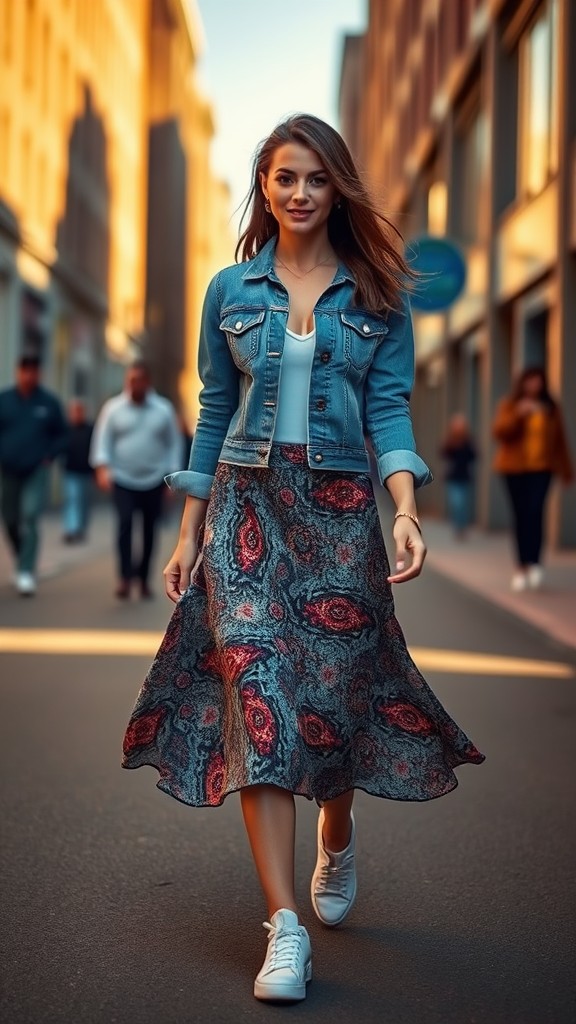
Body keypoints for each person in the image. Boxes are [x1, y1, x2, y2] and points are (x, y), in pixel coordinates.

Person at [122, 115, 484, 1003]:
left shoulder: (375, 296)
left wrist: (405, 508)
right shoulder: (228, 289)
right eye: (283, 177)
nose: (298, 193)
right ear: (265, 188)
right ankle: (284, 927)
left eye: (315, 178)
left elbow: (390, 411)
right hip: (248, 506)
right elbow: (214, 411)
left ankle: (337, 832)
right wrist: (187, 530)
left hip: (340, 511)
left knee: (331, 697)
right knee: (258, 690)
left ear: (338, 189)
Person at [90, 361, 182, 599]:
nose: (133, 385)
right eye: (130, 381)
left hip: (154, 479)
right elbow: (103, 441)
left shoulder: (163, 409)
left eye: (138, 380)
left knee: (149, 530)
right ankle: (124, 577)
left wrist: (172, 479)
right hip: (122, 478)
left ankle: (142, 579)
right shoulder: (113, 409)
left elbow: (174, 444)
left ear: (147, 382)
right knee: (124, 525)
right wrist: (102, 469)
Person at [492, 366, 573, 591]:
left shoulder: (551, 408)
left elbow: (561, 441)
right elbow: (499, 432)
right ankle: (521, 566)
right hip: (514, 469)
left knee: (536, 512)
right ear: (523, 383)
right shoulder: (509, 404)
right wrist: (519, 414)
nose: (534, 385)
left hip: (542, 469)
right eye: (530, 381)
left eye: (538, 381)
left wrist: (567, 471)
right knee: (520, 516)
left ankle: (535, 562)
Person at [0, 354, 68, 596]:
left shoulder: (48, 403)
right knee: (9, 519)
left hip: (36, 470)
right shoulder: (4, 400)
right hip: (7, 470)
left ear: (39, 374)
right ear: (18, 372)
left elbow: (62, 434)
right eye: (24, 371)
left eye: (33, 371)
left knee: (29, 515)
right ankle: (22, 557)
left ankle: (26, 571)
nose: (28, 375)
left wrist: (49, 456)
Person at [440, 413, 477, 539]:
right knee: (456, 502)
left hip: (465, 477)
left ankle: (462, 527)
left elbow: (474, 455)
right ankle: (457, 526)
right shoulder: (450, 441)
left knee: (463, 504)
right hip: (453, 477)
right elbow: (443, 454)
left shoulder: (468, 441)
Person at [62, 398, 94, 543]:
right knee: (72, 499)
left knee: (83, 501)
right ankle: (72, 528)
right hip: (71, 471)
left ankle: (80, 527)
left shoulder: (90, 429)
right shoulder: (66, 430)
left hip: (86, 471)